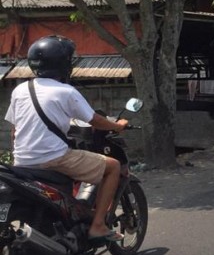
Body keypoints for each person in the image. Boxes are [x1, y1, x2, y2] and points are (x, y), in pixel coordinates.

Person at [4, 35, 129, 242]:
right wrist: (118, 126)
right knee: (113, 166)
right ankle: (98, 225)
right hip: (54, 159)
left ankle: (73, 211)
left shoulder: (20, 89)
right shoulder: (66, 91)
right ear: (63, 64)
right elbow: (95, 120)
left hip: (21, 162)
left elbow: (15, 130)